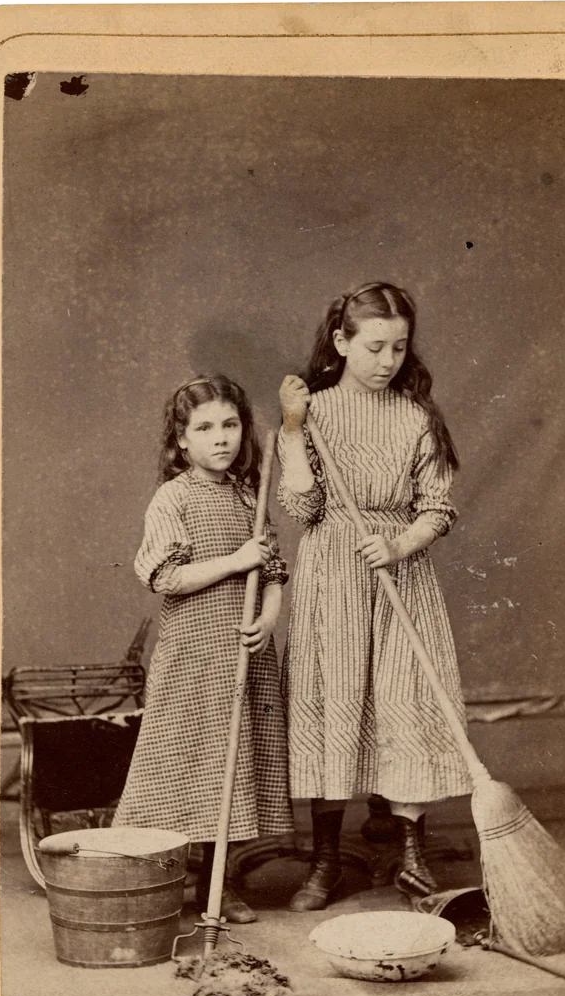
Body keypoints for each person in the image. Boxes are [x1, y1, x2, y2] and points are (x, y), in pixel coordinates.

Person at [277, 282, 470, 911]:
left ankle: (413, 857)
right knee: (333, 703)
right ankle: (326, 861)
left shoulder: (417, 417)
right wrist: (292, 430)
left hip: (399, 578)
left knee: (403, 703)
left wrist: (399, 545)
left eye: (399, 347)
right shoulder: (317, 413)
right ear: (341, 343)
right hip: (332, 575)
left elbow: (438, 508)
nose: (388, 360)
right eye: (374, 346)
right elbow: (303, 507)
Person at [114, 374, 292, 924]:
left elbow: (275, 571)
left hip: (244, 654)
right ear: (181, 441)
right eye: (205, 427)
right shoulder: (174, 498)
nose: (222, 438)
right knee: (179, 764)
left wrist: (267, 617)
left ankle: (220, 883)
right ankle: (152, 878)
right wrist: (236, 562)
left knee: (230, 767)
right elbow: (165, 577)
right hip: (193, 657)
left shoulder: (249, 495)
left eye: (231, 424)